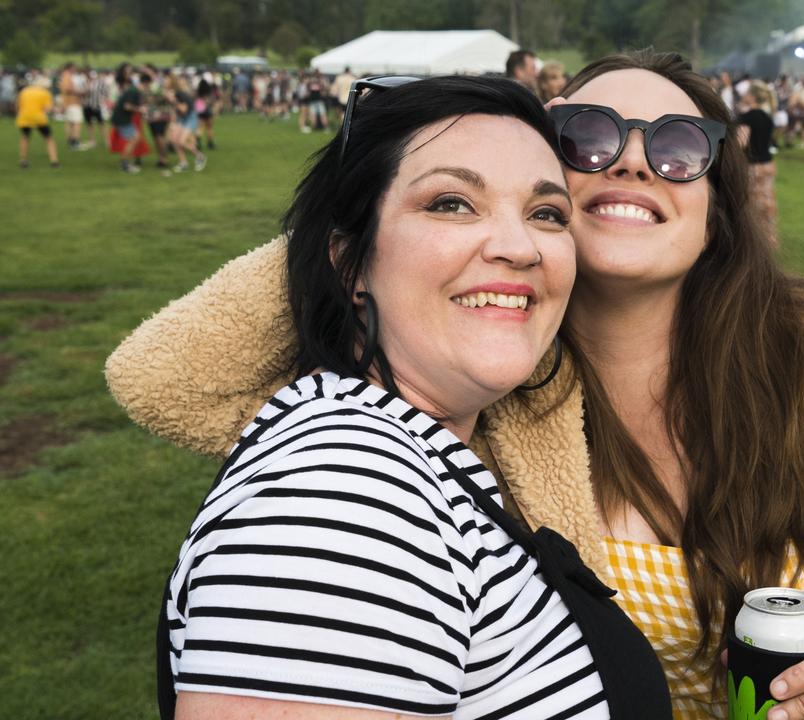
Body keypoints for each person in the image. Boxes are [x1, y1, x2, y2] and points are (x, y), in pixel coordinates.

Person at [108, 52, 804, 720]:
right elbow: (165, 379)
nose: (636, 159)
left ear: (715, 205)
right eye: (588, 135)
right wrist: (393, 206)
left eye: (682, 145)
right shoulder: (483, 391)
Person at [112, 74, 672, 720]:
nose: (520, 248)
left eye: (546, 213)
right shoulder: (342, 495)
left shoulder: (408, 460)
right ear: (350, 264)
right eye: (451, 203)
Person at [737, 81, 778, 244]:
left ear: (752, 96)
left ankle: (753, 241)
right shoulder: (767, 117)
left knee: (750, 205)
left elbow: (741, 142)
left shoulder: (747, 117)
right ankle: (770, 237)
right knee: (767, 203)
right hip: (768, 164)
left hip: (751, 166)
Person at [15, 73, 59, 169]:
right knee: (48, 139)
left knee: (25, 138)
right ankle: (54, 161)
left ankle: (23, 160)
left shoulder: (24, 91)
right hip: (39, 118)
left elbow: (18, 106)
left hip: (24, 118)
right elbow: (48, 109)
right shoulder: (45, 93)